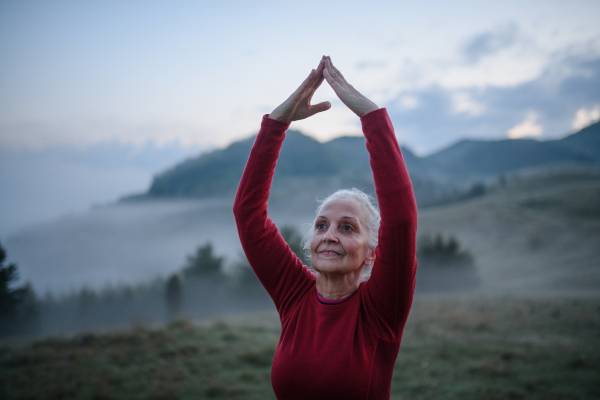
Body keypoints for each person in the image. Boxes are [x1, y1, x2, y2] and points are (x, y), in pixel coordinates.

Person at [233, 56, 418, 400]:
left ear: (371, 253)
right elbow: (247, 214)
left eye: (347, 228)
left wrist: (370, 116)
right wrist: (277, 123)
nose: (330, 235)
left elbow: (402, 220)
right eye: (322, 225)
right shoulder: (294, 295)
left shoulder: (380, 310)